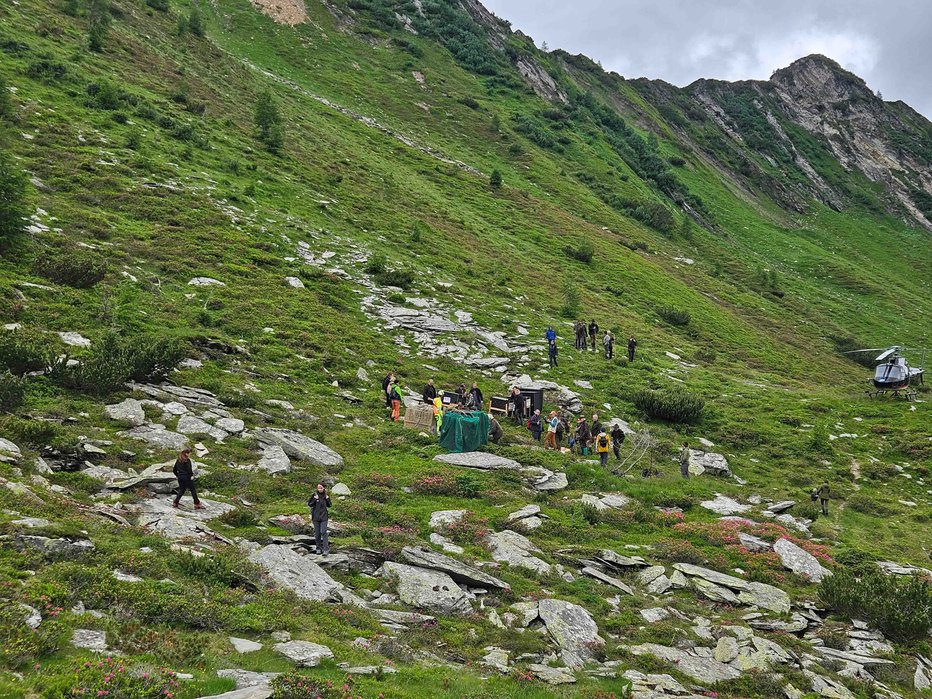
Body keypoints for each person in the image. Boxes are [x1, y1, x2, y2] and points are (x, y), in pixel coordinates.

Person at [308, 482, 332, 556]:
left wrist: (327, 499)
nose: (319, 489)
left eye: (321, 488)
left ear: (324, 488)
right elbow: (310, 504)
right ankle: (318, 548)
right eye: (318, 488)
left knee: (324, 532)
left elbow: (330, 505)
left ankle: (326, 549)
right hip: (316, 517)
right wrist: (315, 499)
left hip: (324, 517)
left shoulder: (326, 496)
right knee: (317, 533)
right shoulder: (314, 495)